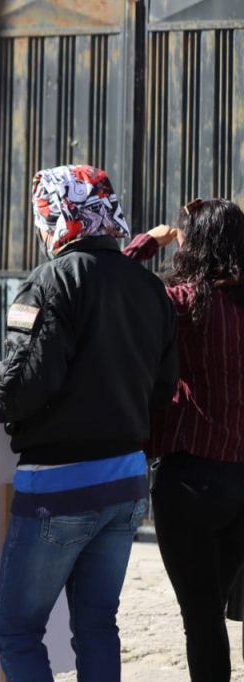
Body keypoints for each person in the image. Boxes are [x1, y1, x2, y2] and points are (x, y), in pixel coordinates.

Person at [0, 164, 178, 680]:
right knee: (97, 625)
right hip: (128, 481)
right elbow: (163, 390)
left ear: (54, 216)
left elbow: (20, 387)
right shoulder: (149, 288)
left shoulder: (50, 282)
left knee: (16, 629)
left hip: (60, 487)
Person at [123, 198, 244, 681]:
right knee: (210, 606)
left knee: (200, 614)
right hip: (241, 479)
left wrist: (148, 242)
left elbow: (112, 283)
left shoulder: (180, 302)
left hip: (190, 478)